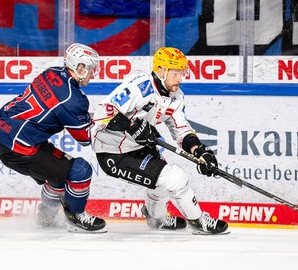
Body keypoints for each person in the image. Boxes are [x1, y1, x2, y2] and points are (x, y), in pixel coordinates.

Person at [91, 47, 229, 234]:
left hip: (139, 147)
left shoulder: (176, 97)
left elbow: (181, 131)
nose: (180, 78)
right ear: (161, 71)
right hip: (113, 152)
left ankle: (156, 219)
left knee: (162, 182)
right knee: (175, 177)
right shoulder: (140, 86)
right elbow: (102, 114)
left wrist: (200, 151)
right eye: (176, 73)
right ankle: (199, 222)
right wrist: (132, 126)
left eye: (183, 72)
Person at [0, 43, 106, 233]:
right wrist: (104, 122)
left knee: (57, 176)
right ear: (80, 68)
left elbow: (57, 107)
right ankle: (77, 217)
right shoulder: (73, 98)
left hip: (7, 137)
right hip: (21, 148)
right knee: (80, 170)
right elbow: (85, 138)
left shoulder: (51, 72)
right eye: (91, 69)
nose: (93, 74)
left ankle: (46, 217)